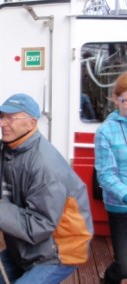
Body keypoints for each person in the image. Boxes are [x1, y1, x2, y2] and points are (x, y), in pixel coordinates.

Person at [0, 93, 93, 284]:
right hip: (25, 247)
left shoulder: (45, 165)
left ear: (32, 123)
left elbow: (41, 225)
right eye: (1, 118)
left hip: (59, 250)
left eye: (11, 118)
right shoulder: (3, 148)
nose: (2, 123)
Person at [95, 72, 127, 284]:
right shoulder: (105, 131)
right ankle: (109, 279)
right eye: (125, 100)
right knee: (124, 266)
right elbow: (105, 175)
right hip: (120, 206)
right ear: (116, 99)